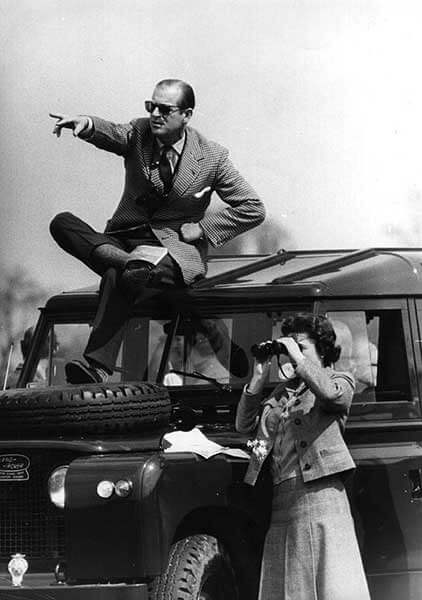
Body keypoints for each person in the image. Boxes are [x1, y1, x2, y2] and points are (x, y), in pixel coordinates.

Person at [49, 79, 265, 384]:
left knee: (117, 277)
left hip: (173, 251)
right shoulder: (138, 134)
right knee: (62, 222)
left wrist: (203, 229)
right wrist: (85, 124)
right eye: (151, 106)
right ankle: (130, 264)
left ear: (187, 115)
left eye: (165, 109)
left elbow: (253, 207)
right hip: (123, 242)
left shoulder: (212, 157)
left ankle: (97, 367)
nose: (155, 114)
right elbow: (112, 132)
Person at [236, 313, 370, 600]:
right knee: (290, 588)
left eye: (302, 345)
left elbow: (332, 396)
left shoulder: (339, 379)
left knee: (328, 585)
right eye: (290, 347)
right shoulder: (283, 392)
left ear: (322, 350)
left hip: (320, 497)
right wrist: (257, 380)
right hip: (282, 499)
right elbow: (244, 426)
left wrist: (298, 357)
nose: (293, 353)